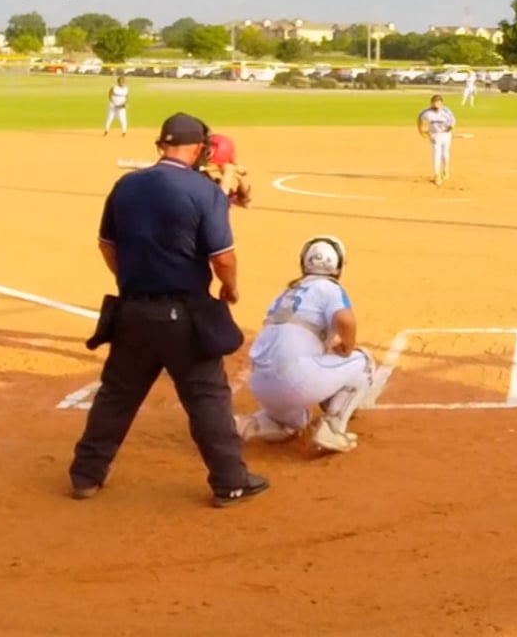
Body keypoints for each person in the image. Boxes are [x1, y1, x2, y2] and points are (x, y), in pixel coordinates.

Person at [68, 112, 268, 508]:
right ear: (198, 149)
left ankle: (85, 475)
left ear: (162, 145)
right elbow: (223, 258)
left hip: (132, 312)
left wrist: (131, 281)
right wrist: (230, 289)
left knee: (116, 395)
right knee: (207, 396)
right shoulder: (204, 191)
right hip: (184, 315)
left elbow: (107, 245)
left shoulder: (126, 185)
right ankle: (230, 482)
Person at [237, 236, 374, 455]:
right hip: (295, 379)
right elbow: (345, 320)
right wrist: (348, 347)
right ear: (338, 266)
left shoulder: (286, 292)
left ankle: (248, 425)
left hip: (260, 383)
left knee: (294, 423)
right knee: (363, 360)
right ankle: (333, 428)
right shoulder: (329, 288)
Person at [417, 94, 456, 186]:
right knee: (436, 153)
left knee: (445, 154)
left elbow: (453, 122)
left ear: (441, 103)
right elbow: (420, 119)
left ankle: (445, 169)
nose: (436, 104)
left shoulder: (447, 111)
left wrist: (450, 127)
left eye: (438, 102)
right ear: (431, 103)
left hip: (446, 135)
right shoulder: (426, 112)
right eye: (434, 102)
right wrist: (421, 130)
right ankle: (436, 175)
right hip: (434, 135)